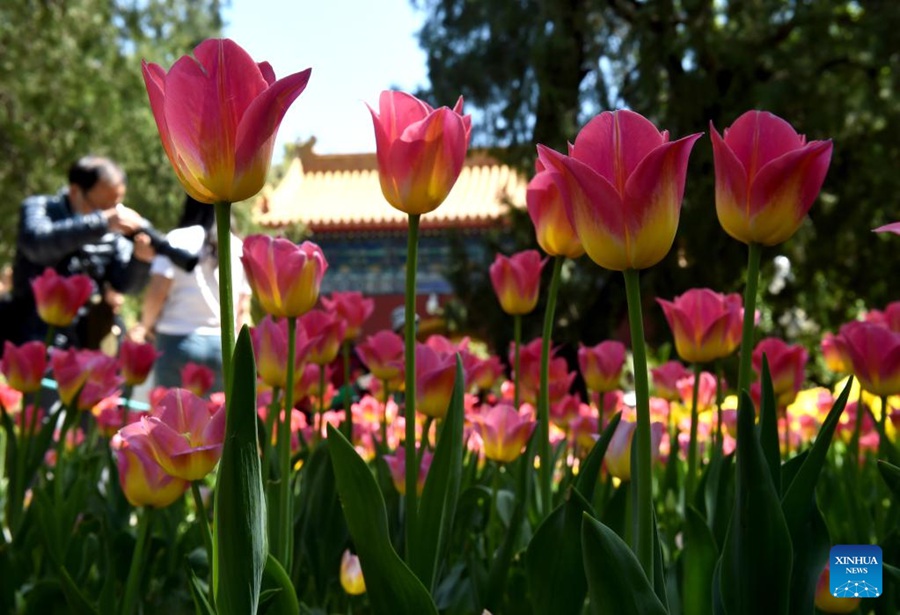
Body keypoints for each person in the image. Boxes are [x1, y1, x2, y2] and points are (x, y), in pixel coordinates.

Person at [6, 155, 154, 348]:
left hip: (84, 344)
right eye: (103, 207)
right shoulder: (40, 208)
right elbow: (37, 245)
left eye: (116, 205)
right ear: (75, 191)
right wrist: (101, 222)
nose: (113, 212)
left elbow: (126, 285)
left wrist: (141, 260)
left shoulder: (112, 233)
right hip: (30, 337)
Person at [129, 196, 251, 393]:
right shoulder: (236, 246)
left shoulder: (177, 239)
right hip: (222, 346)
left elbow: (157, 291)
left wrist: (144, 326)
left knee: (171, 417)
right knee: (217, 418)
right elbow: (242, 307)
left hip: (175, 341)